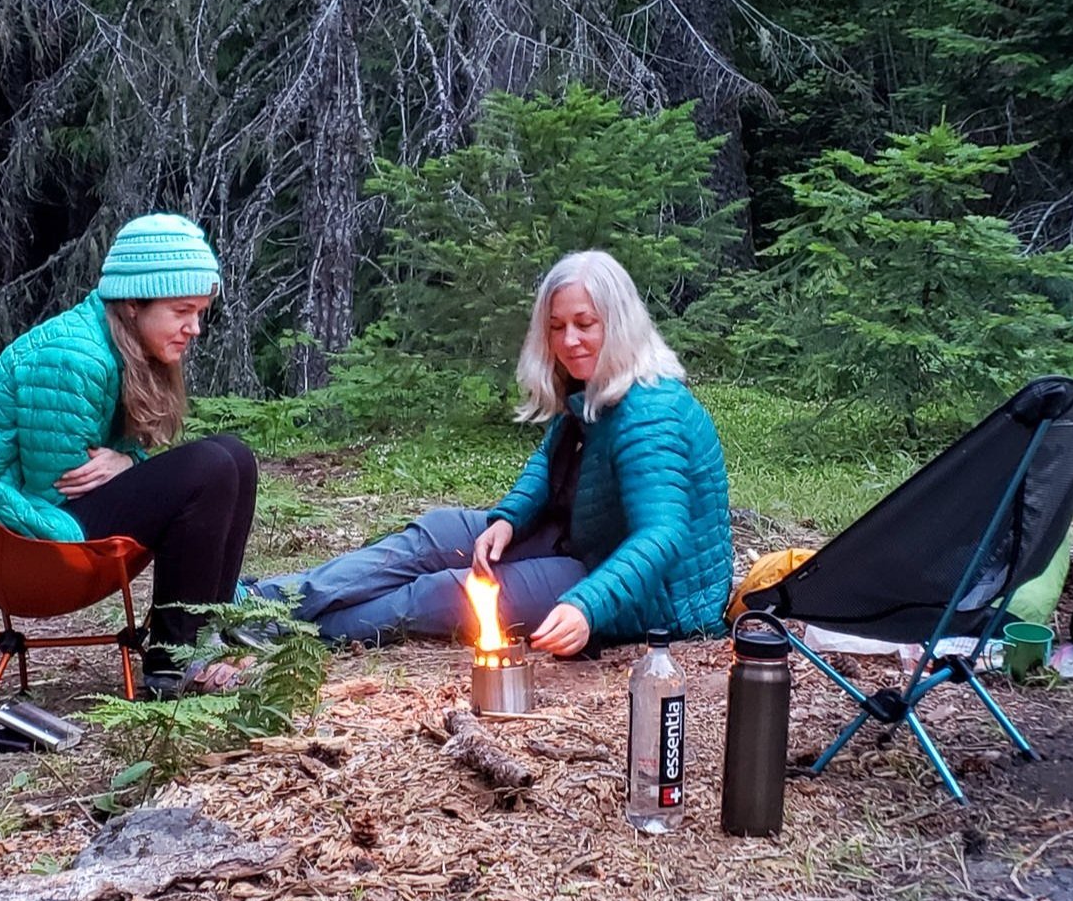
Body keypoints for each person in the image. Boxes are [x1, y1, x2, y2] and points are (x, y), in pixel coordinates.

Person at [249, 250, 733, 656]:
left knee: (442, 593)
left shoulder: (651, 412)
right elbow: (551, 462)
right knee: (433, 536)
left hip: (652, 594)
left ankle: (284, 631)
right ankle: (256, 601)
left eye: (585, 324)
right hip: (583, 539)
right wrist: (509, 519)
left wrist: (587, 605)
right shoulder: (594, 384)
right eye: (557, 326)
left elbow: (662, 535)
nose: (569, 340)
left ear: (620, 322)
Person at [0, 213, 256, 696]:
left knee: (235, 456)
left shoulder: (115, 344)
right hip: (25, 532)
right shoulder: (73, 358)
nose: (194, 328)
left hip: (49, 511)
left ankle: (205, 634)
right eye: (182, 310)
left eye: (200, 312)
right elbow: (62, 488)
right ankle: (173, 660)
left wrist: (129, 462)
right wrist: (132, 464)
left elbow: (105, 463)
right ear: (133, 303)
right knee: (210, 467)